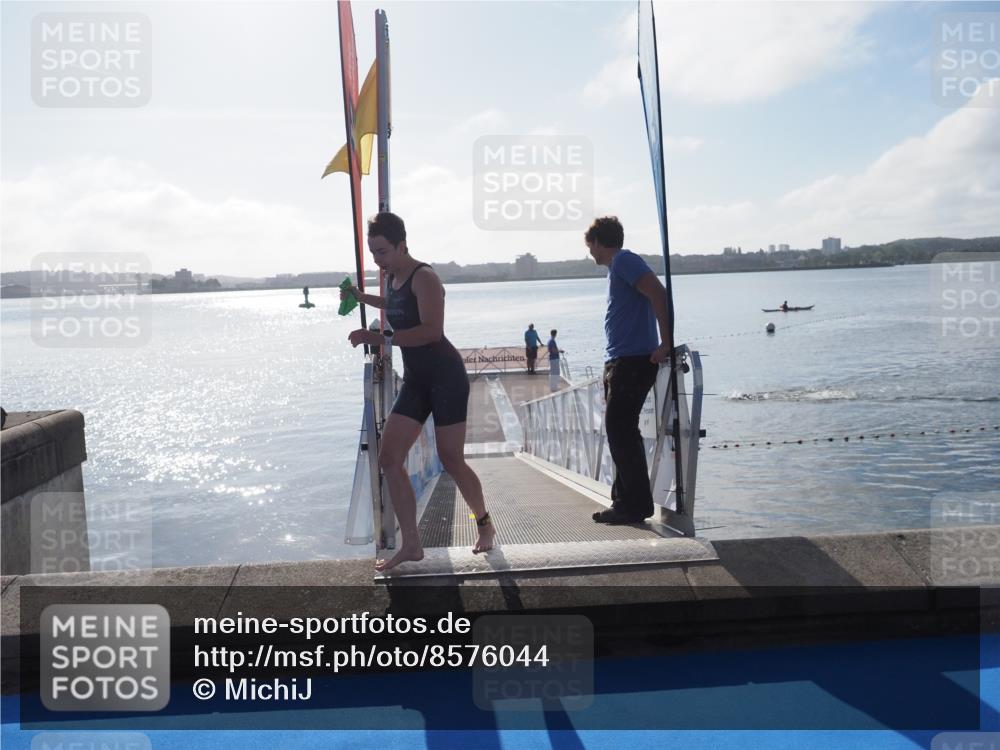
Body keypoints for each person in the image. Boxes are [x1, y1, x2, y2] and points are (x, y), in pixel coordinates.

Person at [343, 212, 495, 570]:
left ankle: (484, 524)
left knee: (452, 459)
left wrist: (378, 338)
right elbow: (394, 306)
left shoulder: (424, 277)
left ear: (401, 244)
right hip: (416, 379)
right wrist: (361, 296)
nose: (378, 260)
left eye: (382, 252)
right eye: (373, 253)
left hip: (445, 375)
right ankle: (411, 544)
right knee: (389, 458)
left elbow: (431, 331)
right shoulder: (394, 279)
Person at [585, 216, 672, 524]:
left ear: (598, 241)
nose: (590, 253)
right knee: (621, 431)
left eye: (590, 246)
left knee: (619, 430)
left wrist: (666, 342)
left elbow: (658, 294)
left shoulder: (624, 260)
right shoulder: (617, 268)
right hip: (622, 360)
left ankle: (634, 505)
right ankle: (625, 501)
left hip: (633, 361)